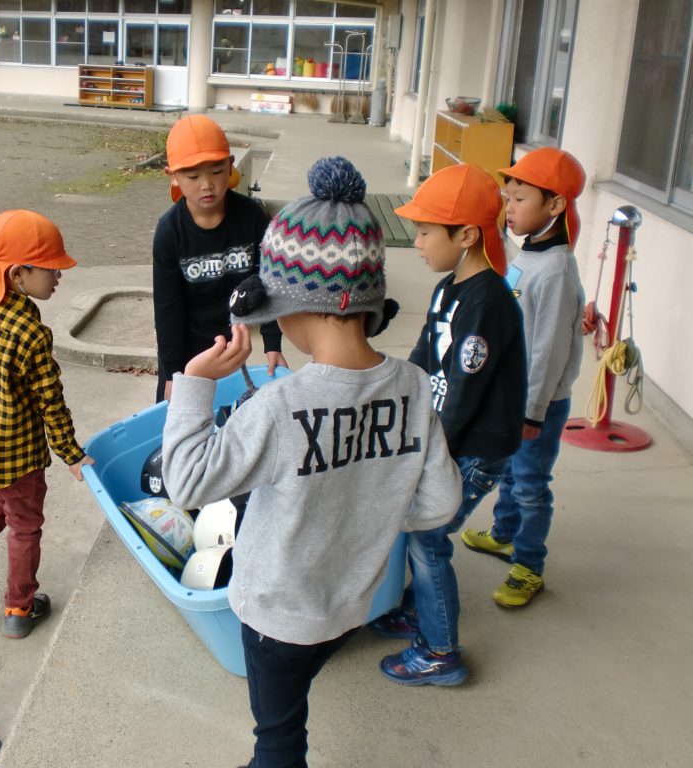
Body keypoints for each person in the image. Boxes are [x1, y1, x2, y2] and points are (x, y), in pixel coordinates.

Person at [161, 157, 462, 768]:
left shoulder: (278, 407)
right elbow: (439, 504)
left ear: (298, 307)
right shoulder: (412, 386)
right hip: (351, 603)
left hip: (277, 616)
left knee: (278, 739)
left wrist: (193, 382)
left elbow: (186, 482)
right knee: (295, 696)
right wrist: (373, 500)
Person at [373, 163, 527, 686]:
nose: (416, 242)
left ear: (466, 236)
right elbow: (421, 359)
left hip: (473, 447)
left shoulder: (489, 303)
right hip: (445, 439)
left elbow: (464, 396)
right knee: (420, 528)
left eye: (425, 232)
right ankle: (420, 608)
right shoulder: (448, 288)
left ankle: (439, 651)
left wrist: (425, 455)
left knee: (428, 536)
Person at [0, 209, 93, 639]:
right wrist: (72, 454)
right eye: (50, 269)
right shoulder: (28, 331)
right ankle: (19, 609)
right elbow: (50, 401)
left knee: (1, 495)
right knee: (25, 523)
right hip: (17, 451)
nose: (59, 276)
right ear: (17, 273)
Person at [461, 148, 586, 607]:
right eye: (507, 198)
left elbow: (549, 351)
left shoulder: (554, 271)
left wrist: (532, 412)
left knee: (530, 483)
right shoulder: (529, 254)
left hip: (539, 404)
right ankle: (504, 533)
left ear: (555, 205)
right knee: (511, 472)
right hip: (516, 394)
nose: (508, 208)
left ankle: (529, 565)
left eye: (519, 200)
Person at [153, 114, 287, 402]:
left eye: (216, 171)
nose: (207, 184)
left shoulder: (251, 217)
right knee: (178, 423)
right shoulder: (169, 233)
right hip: (186, 356)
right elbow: (167, 310)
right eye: (193, 176)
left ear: (230, 165)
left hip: (233, 350)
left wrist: (272, 344)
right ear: (172, 175)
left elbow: (270, 281)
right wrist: (173, 374)